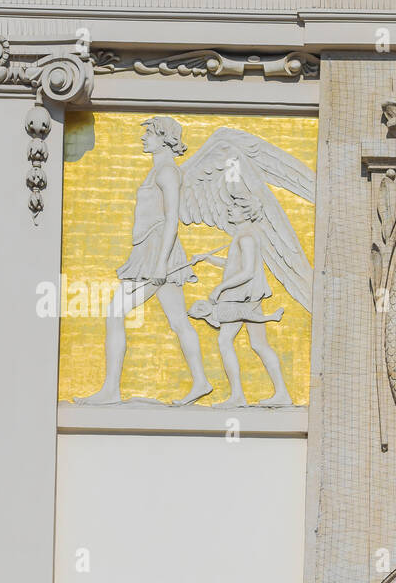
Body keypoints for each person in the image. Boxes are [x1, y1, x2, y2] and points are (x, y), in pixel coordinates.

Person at [78, 116, 212, 406]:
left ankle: (111, 390)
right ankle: (201, 381)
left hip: (155, 251)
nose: (143, 138)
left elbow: (172, 219)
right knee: (179, 321)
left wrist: (161, 263)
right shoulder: (159, 171)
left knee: (115, 313)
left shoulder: (166, 172)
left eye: (149, 134)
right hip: (153, 249)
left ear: (164, 138)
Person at [188, 193, 292, 408]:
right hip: (247, 296)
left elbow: (247, 272)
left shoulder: (246, 237)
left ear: (246, 213)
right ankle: (281, 393)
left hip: (237, 297)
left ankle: (237, 396)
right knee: (259, 344)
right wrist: (208, 259)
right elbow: (234, 265)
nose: (229, 210)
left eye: (234, 208)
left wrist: (220, 287)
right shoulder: (246, 234)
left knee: (225, 341)